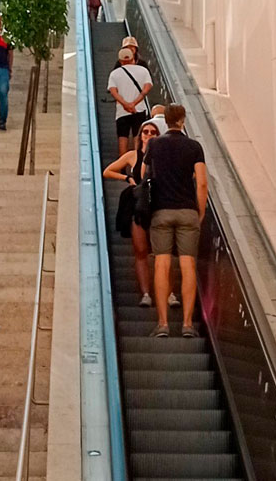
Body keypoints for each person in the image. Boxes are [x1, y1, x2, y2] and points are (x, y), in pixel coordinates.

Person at [141, 104, 207, 338]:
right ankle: (187, 324)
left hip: (161, 211)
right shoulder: (194, 147)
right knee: (188, 266)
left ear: (166, 121)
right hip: (187, 211)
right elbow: (202, 183)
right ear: (182, 120)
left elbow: (143, 175)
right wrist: (199, 212)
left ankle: (163, 324)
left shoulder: (154, 144)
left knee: (162, 264)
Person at [103, 120, 179, 308]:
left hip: (160, 204)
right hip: (139, 206)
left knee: (163, 252)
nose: (149, 135)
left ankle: (169, 293)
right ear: (140, 135)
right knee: (141, 251)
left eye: (153, 132)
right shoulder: (133, 155)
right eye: (145, 131)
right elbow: (108, 171)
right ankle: (146, 293)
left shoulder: (165, 155)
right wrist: (127, 178)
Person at [107, 47, 153, 156]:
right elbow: (147, 88)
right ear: (133, 58)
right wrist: (134, 103)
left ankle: (122, 163)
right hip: (139, 109)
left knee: (123, 137)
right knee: (138, 136)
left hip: (122, 111)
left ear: (120, 60)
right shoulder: (143, 70)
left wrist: (125, 104)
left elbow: (113, 91)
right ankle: (137, 161)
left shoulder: (114, 74)